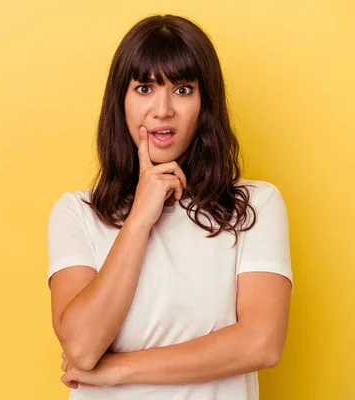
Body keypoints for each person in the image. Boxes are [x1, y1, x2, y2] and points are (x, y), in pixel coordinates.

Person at [46, 14, 293, 400]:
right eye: (144, 88)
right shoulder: (77, 212)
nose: (162, 109)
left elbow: (261, 343)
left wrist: (119, 370)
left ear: (205, 102)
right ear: (120, 102)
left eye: (182, 89)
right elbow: (81, 346)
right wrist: (142, 214)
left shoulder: (255, 205)